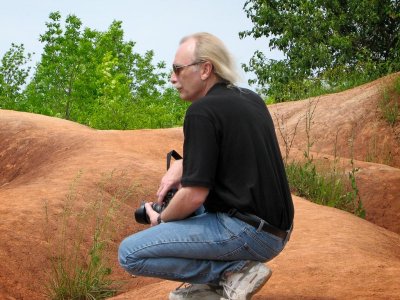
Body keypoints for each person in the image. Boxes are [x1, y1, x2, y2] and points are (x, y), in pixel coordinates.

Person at [118, 32, 294, 300]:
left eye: (178, 69)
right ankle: (212, 288)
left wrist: (161, 219)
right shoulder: (249, 98)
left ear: (206, 69)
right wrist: (184, 165)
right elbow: (232, 149)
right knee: (188, 207)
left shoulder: (201, 112)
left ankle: (232, 272)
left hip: (247, 233)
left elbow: (193, 196)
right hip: (278, 231)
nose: (172, 78)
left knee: (129, 254)